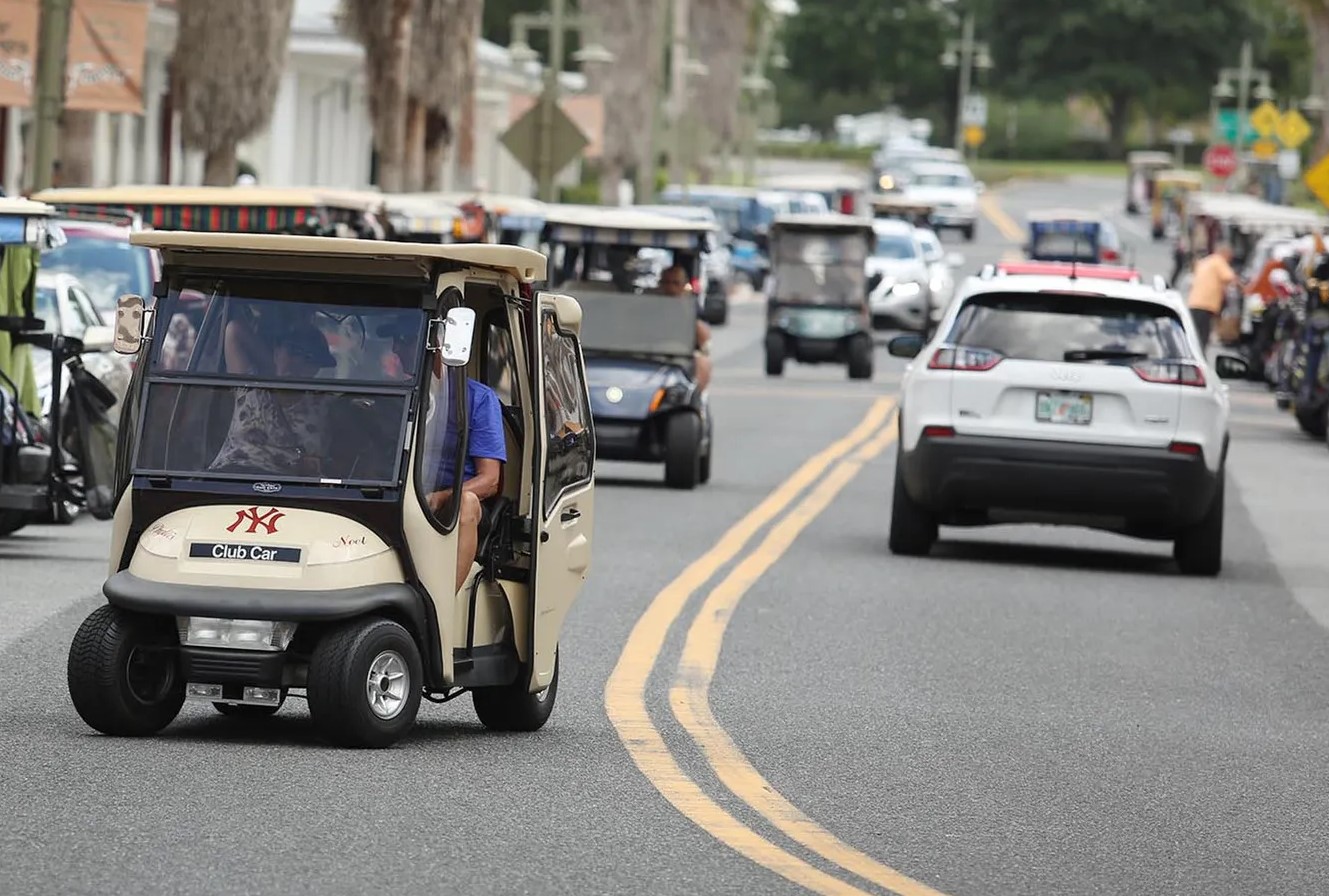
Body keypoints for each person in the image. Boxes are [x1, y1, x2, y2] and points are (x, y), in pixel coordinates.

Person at [391, 325, 506, 595]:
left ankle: (443, 601)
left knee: (466, 502)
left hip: (452, 501)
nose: (396, 349)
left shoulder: (478, 398)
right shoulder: (402, 396)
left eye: (405, 340)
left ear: (438, 348)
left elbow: (490, 480)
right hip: (403, 492)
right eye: (398, 341)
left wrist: (441, 497)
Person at [210, 319, 336, 475]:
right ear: (276, 352)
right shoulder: (251, 386)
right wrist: (273, 371)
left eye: (308, 359)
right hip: (233, 476)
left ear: (316, 369)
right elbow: (234, 330)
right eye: (292, 352)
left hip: (289, 488)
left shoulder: (326, 403)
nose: (297, 362)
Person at [658, 264, 712, 391]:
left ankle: (696, 400)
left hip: (681, 355)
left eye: (675, 283)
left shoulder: (691, 306)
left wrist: (685, 310)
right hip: (649, 352)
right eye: (666, 283)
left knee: (703, 362)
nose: (670, 288)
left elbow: (705, 340)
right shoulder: (649, 304)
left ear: (684, 286)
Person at [1186, 243, 1240, 351]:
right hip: (1206, 304)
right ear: (1225, 253)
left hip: (1194, 302)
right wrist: (1244, 288)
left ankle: (1194, 354)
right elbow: (1230, 277)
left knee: (1194, 334)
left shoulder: (1205, 261)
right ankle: (1199, 359)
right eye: (1229, 256)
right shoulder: (1218, 261)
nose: (1230, 259)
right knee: (1203, 335)